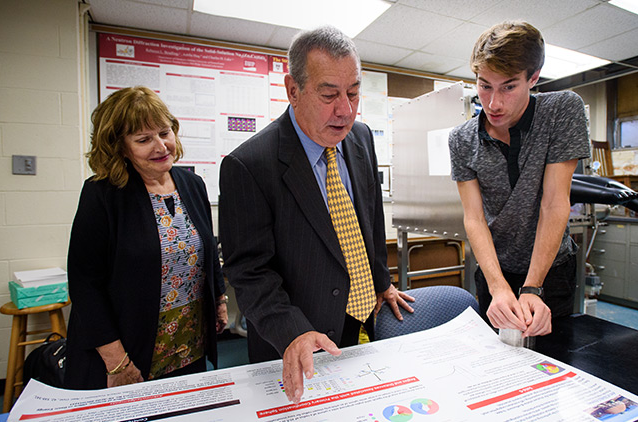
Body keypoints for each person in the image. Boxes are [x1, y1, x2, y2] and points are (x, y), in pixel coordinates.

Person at [218, 26, 414, 404]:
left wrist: (380, 280)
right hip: (297, 336)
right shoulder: (249, 165)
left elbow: (368, 219)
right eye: (329, 95)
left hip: (361, 316)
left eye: (354, 93)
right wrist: (291, 330)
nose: (346, 109)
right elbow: (249, 270)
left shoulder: (360, 137)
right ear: (293, 90)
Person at [65, 86, 228, 389]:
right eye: (143, 139)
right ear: (120, 147)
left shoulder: (191, 184)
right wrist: (117, 361)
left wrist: (219, 299)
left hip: (187, 343)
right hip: (127, 352)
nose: (161, 146)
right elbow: (85, 286)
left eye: (164, 133)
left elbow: (207, 248)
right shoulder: (102, 194)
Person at [449, 21, 590, 338]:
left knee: (551, 360)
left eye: (508, 87)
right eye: (484, 86)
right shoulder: (461, 139)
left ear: (534, 77)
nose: (494, 103)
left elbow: (554, 203)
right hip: (494, 270)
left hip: (550, 270)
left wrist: (533, 286)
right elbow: (473, 217)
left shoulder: (561, 111)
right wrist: (498, 287)